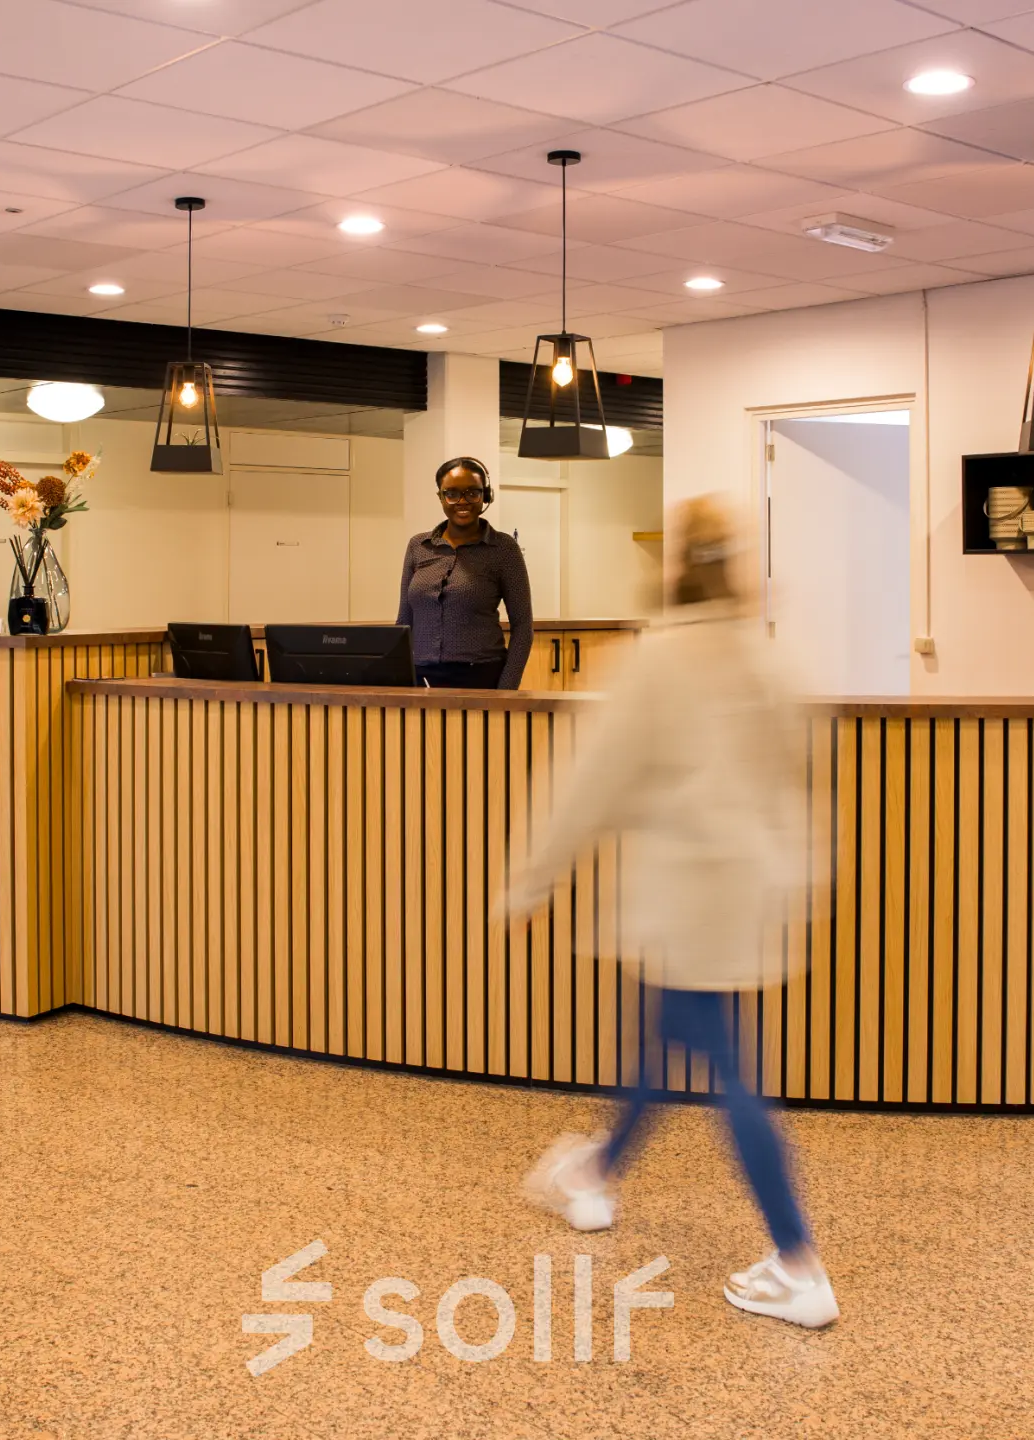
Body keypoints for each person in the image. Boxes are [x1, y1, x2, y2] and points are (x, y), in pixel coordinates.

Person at [506, 495, 837, 1330]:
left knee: (725, 1069)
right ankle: (595, 1175)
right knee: (665, 1044)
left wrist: (532, 881)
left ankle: (797, 1262)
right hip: (747, 893)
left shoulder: (657, 661)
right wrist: (803, 874)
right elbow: (808, 764)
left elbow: (589, 784)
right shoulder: (763, 659)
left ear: (671, 568)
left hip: (683, 895)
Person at [396, 457, 533, 689]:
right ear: (441, 497)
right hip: (420, 677)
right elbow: (404, 621)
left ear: (485, 496)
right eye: (452, 493)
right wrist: (396, 680)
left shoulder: (503, 549)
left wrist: (506, 690)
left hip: (480, 677)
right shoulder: (418, 546)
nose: (463, 501)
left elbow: (523, 629)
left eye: (472, 493)